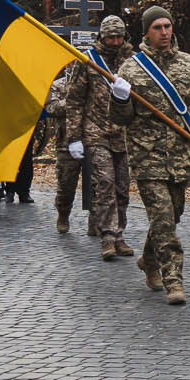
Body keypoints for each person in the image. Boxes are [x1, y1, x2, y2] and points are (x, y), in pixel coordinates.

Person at [112, 5, 190, 304]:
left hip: (182, 158)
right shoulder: (131, 69)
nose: (164, 32)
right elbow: (120, 118)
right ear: (146, 32)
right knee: (163, 219)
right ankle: (173, 281)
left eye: (167, 26)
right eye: (157, 27)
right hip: (147, 157)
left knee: (172, 215)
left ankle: (149, 260)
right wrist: (120, 98)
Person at [66, 15, 136, 256]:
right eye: (110, 37)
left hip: (124, 134)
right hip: (96, 131)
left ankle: (120, 235)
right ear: (102, 37)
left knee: (123, 187)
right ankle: (107, 235)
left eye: (119, 37)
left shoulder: (133, 61)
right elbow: (74, 101)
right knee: (105, 183)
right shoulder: (87, 61)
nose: (115, 41)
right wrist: (73, 137)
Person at [45, 64, 86, 235]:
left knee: (98, 185)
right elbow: (51, 108)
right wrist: (73, 99)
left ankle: (97, 221)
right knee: (66, 184)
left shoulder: (94, 83)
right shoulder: (59, 85)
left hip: (93, 139)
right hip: (66, 142)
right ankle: (63, 213)